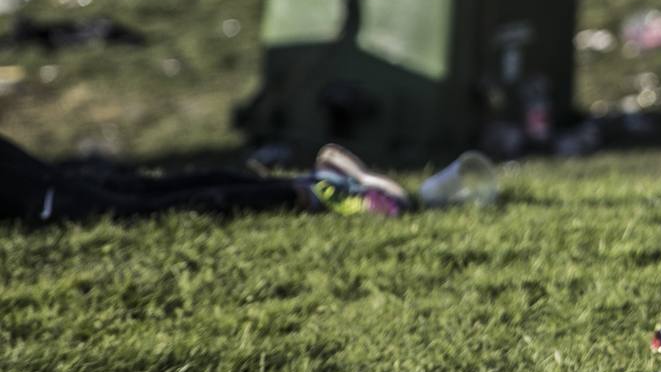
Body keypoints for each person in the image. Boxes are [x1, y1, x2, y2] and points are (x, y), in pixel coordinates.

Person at [1, 134, 410, 223]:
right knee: (140, 188)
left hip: (24, 191)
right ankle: (316, 181)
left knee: (144, 205)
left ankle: (315, 192)